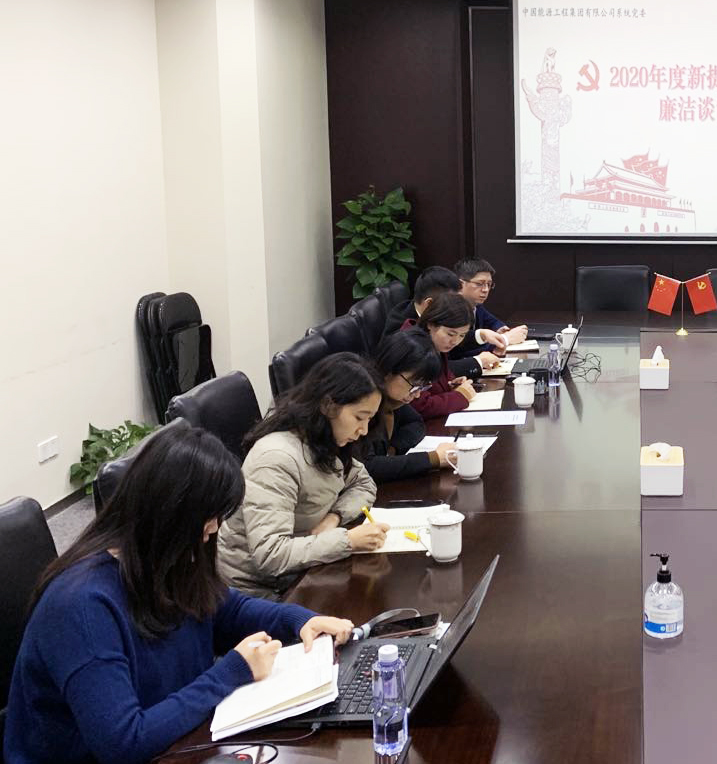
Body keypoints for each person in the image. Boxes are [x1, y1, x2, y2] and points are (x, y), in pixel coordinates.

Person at [3, 424, 355, 764]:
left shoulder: (168, 559)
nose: (214, 528)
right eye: (208, 516)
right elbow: (123, 743)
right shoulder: (80, 606)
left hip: (174, 742)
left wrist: (299, 620)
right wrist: (230, 673)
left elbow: (228, 611)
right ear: (170, 513)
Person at [218, 353, 391, 599]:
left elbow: (363, 483)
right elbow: (271, 555)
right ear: (328, 406)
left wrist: (333, 518)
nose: (363, 430)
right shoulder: (276, 458)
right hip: (260, 593)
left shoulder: (325, 441)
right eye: (359, 417)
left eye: (369, 419)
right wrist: (348, 541)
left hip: (302, 572)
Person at [363, 327, 458, 481]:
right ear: (389, 369)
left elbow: (416, 423)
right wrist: (433, 459)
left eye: (422, 387)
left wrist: (393, 450)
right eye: (414, 384)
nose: (417, 394)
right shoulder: (363, 401)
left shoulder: (393, 400)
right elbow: (367, 467)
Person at [391, 266, 499, 378]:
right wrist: (477, 362)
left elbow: (450, 336)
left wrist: (481, 335)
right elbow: (425, 369)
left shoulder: (432, 318)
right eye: (451, 303)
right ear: (429, 304)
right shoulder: (403, 330)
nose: (456, 307)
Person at [410, 291, 480, 419]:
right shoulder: (413, 349)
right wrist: (459, 396)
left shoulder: (434, 343)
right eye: (450, 334)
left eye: (462, 335)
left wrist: (451, 384)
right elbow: (419, 406)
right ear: (431, 324)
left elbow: (439, 382)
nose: (455, 341)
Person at [453, 257, 529, 351]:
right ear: (460, 284)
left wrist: (502, 329)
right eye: (479, 284)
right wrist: (505, 339)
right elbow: (459, 350)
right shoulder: (450, 309)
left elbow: (493, 322)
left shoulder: (477, 306)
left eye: (489, 284)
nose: (485, 290)